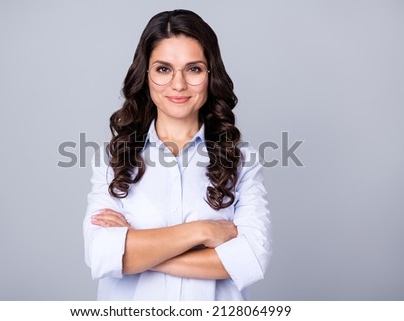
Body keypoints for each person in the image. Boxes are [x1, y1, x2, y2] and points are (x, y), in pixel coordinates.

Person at [83, 9, 271, 301]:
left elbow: (250, 260)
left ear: (211, 74)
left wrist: (138, 253)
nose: (179, 84)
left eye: (193, 69)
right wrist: (203, 231)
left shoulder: (242, 160)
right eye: (163, 69)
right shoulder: (114, 159)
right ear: (145, 75)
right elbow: (102, 257)